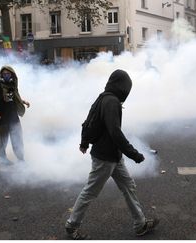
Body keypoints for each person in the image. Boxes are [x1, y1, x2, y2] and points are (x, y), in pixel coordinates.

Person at [65, 69, 159, 240]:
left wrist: (84, 142)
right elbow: (115, 132)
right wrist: (134, 154)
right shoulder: (111, 101)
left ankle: (140, 224)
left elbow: (89, 120)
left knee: (128, 187)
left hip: (114, 156)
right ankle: (72, 225)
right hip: (105, 157)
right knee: (90, 192)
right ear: (122, 87)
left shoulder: (103, 97)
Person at [0, 66, 30, 165]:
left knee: (17, 138)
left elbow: (14, 97)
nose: (6, 75)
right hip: (0, 119)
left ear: (12, 75)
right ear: (1, 75)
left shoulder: (13, 85)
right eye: (4, 74)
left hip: (13, 118)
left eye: (8, 74)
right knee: (1, 141)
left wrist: (23, 101)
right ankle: (3, 159)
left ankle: (20, 159)